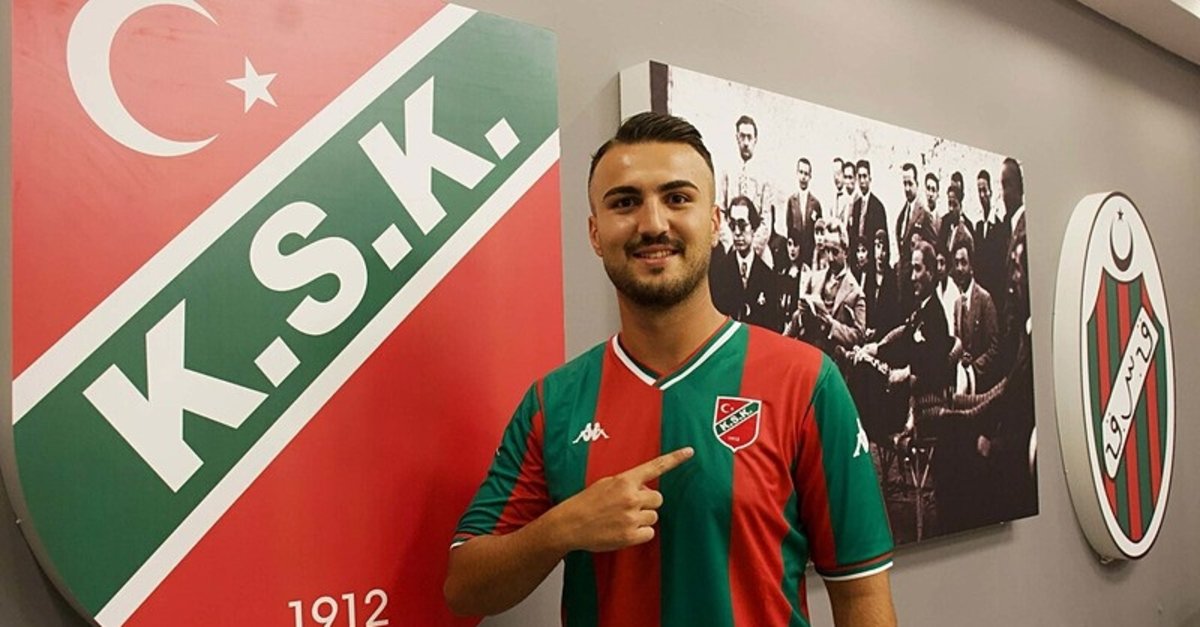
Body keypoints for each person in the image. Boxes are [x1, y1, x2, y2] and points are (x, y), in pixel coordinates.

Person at [445, 112, 897, 627]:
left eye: (678, 198)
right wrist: (562, 528)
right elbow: (465, 587)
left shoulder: (806, 382)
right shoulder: (555, 402)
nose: (653, 224)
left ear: (715, 222)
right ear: (595, 233)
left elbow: (861, 595)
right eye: (624, 203)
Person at [711, 195, 784, 330]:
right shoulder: (719, 273)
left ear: (753, 228)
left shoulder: (768, 277)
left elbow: (773, 328)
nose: (737, 233)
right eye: (733, 225)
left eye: (742, 225)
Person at [948, 226, 999, 393]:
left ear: (971, 266)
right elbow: (957, 342)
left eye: (964, 262)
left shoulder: (985, 300)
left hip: (983, 387)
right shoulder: (957, 304)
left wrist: (974, 367)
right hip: (964, 386)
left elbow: (995, 348)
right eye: (956, 263)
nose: (959, 268)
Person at [974, 169, 1010, 312]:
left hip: (996, 296)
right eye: (979, 191)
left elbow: (1001, 268)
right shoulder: (978, 228)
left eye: (984, 190)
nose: (982, 195)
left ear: (991, 192)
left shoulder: (1000, 228)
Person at [847, 159, 887, 271]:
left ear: (870, 178)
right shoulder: (855, 206)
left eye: (864, 176)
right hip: (857, 263)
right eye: (859, 177)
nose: (862, 180)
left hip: (871, 264)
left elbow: (882, 240)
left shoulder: (878, 207)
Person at [786, 157, 823, 269]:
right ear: (797, 173)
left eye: (806, 174)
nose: (803, 177)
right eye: (801, 172)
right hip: (796, 254)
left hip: (810, 254)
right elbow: (789, 228)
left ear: (810, 176)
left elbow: (819, 230)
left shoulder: (815, 203)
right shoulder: (791, 201)